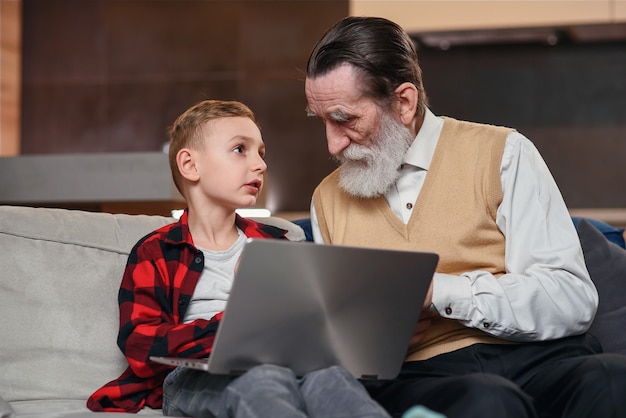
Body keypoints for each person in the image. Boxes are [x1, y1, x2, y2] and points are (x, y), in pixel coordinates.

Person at [304, 16, 626, 418]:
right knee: (486, 400)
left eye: (345, 119)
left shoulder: (504, 152)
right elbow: (337, 348)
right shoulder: (327, 200)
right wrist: (372, 342)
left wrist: (437, 292)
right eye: (322, 121)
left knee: (614, 378)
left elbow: (570, 299)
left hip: (542, 359)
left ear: (403, 102)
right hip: (423, 377)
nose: (332, 144)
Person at [86, 99, 391, 418]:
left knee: (331, 378)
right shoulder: (156, 250)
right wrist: (239, 325)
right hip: (196, 376)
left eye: (261, 153)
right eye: (239, 149)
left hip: (287, 362)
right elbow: (140, 344)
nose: (260, 165)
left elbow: (311, 326)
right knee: (263, 379)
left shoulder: (277, 244)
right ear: (190, 165)